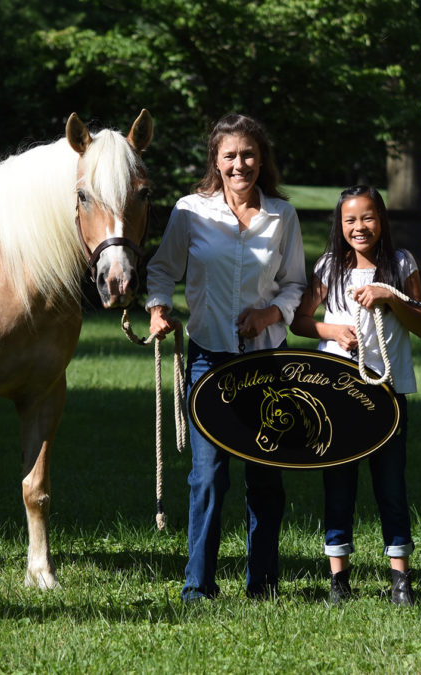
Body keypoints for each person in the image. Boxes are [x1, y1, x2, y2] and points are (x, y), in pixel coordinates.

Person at [146, 114, 306, 602]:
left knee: (265, 477)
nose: (241, 165)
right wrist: (157, 310)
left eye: (249, 155)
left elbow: (296, 283)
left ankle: (263, 584)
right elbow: (161, 269)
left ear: (263, 159)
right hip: (207, 363)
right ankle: (198, 585)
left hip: (265, 363)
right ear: (216, 160)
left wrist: (270, 314)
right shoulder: (191, 211)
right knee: (208, 475)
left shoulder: (283, 215)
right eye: (231, 156)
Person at [290, 185, 421, 606]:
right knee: (338, 485)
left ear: (382, 219)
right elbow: (300, 321)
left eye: (367, 217)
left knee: (390, 484)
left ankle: (400, 578)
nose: (359, 227)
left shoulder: (401, 264)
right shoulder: (330, 265)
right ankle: (339, 580)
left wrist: (390, 296)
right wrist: (333, 332)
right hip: (337, 394)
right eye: (350, 220)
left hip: (386, 394)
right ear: (340, 224)